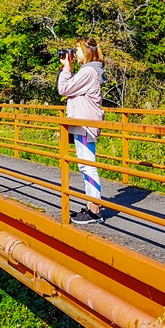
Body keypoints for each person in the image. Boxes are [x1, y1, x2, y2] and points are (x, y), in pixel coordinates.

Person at [58, 37, 106, 225]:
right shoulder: (92, 70)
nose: (74, 53)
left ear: (86, 51)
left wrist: (66, 68)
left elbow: (64, 88)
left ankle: (94, 210)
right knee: (86, 165)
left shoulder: (87, 71)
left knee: (87, 165)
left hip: (85, 125)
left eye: (77, 50)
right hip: (85, 122)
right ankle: (92, 205)